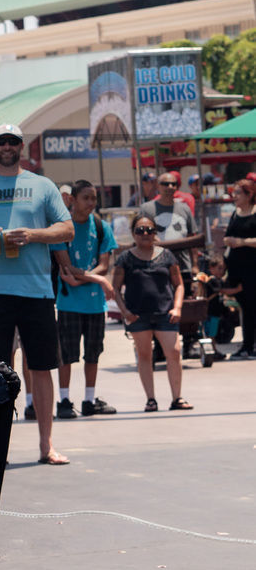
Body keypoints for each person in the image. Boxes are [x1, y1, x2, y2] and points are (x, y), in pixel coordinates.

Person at [0, 124, 73, 464]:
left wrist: (32, 235)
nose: (6, 146)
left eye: (12, 141)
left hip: (36, 292)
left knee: (42, 367)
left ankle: (46, 445)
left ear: (21, 146)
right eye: (0, 141)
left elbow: (66, 228)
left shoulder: (42, 185)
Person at [111, 213, 191, 411]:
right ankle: (151, 399)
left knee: (174, 352)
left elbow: (179, 284)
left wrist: (178, 307)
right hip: (138, 315)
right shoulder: (125, 258)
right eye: (140, 230)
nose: (145, 234)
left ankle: (177, 398)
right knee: (145, 355)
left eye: (149, 230)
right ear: (133, 233)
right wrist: (125, 312)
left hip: (165, 313)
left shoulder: (167, 255)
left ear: (155, 233)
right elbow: (115, 289)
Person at [54, 180, 118, 418]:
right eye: (86, 198)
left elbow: (103, 265)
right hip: (68, 302)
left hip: (94, 304)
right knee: (66, 355)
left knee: (93, 353)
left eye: (94, 198)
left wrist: (87, 279)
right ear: (73, 199)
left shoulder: (101, 227)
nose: (91, 203)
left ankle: (89, 400)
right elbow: (65, 265)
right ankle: (64, 400)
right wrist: (99, 280)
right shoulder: (63, 227)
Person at [143, 172, 203, 358]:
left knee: (186, 306)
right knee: (159, 307)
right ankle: (160, 347)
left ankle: (190, 343)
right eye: (165, 184)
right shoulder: (148, 209)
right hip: (156, 267)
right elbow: (142, 236)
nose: (169, 187)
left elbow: (193, 238)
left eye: (173, 184)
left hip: (182, 265)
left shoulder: (184, 209)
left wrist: (195, 266)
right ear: (158, 186)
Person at [224, 179, 256, 358]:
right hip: (237, 268)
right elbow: (229, 235)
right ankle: (247, 345)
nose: (234, 196)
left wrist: (242, 242)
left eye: (238, 193)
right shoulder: (235, 213)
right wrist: (229, 241)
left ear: (249, 194)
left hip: (253, 267)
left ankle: (250, 345)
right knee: (246, 307)